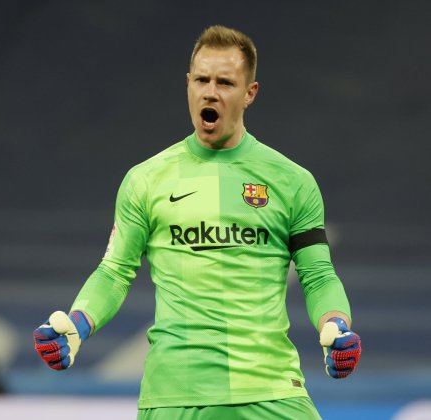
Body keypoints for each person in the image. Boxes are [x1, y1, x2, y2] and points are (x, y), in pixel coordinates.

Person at [33, 25, 361, 419]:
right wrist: (78, 323)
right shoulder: (146, 179)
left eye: (225, 82)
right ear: (188, 85)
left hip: (270, 390)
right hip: (175, 395)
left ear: (249, 94)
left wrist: (336, 326)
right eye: (202, 80)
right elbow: (115, 271)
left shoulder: (293, 181)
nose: (211, 91)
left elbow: (318, 276)